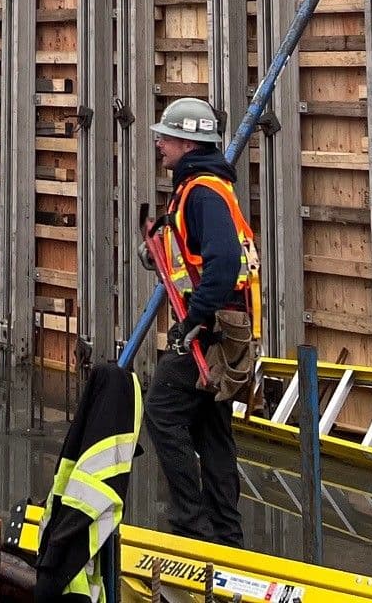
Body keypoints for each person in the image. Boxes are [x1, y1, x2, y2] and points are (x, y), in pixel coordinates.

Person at [141, 96, 259, 547]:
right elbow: (193, 251)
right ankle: (225, 534)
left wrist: (195, 318)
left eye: (166, 136)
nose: (159, 142)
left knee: (163, 413)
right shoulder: (201, 187)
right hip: (223, 325)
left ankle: (190, 524)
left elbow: (224, 261)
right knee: (211, 428)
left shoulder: (203, 191)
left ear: (188, 143)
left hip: (208, 329)